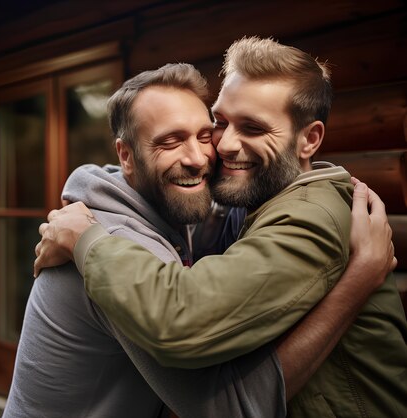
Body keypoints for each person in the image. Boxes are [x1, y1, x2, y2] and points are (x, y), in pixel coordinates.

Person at [34, 38, 407, 417]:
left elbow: (184, 319)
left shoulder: (309, 218)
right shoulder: (251, 201)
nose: (224, 145)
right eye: (222, 122)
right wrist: (85, 189)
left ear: (309, 139)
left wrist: (83, 237)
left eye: (253, 128)